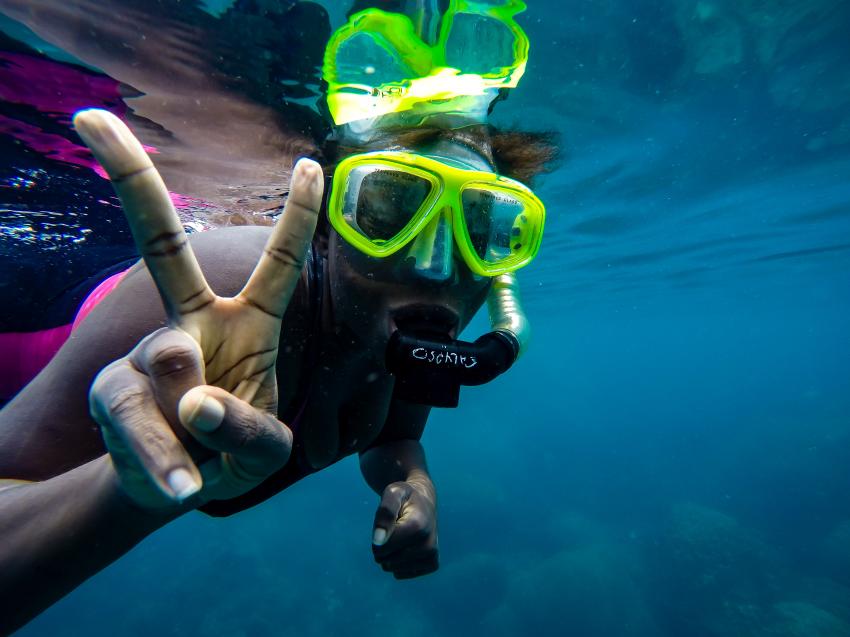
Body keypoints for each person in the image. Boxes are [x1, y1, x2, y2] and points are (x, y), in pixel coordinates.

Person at [0, 0, 558, 633]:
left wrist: (412, 480)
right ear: (326, 224)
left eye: (483, 228)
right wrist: (122, 492)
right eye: (388, 208)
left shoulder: (407, 331)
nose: (434, 267)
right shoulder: (228, 280)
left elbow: (390, 434)